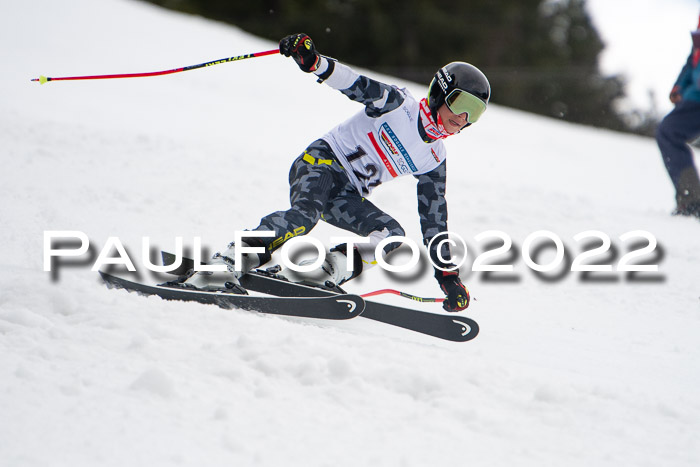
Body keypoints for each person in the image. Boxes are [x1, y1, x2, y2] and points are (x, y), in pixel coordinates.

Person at [185, 33, 490, 311]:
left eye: (474, 113)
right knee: (305, 216)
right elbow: (354, 83)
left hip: (346, 194)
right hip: (321, 163)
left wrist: (448, 276)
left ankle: (318, 272)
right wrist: (314, 62)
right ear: (439, 93)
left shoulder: (434, 157)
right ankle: (225, 262)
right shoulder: (399, 105)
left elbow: (434, 221)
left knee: (392, 237)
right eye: (461, 104)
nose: (463, 118)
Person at [656, 17, 700, 218]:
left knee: (669, 131)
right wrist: (679, 85)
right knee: (669, 131)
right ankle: (692, 199)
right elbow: (693, 59)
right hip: (695, 98)